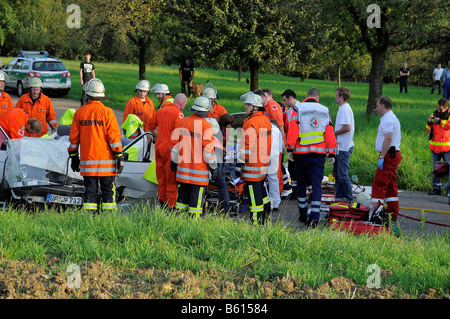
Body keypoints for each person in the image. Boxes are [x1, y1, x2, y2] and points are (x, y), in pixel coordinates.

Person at [68, 78, 123, 212]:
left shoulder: (80, 113)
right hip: (107, 162)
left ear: (88, 95)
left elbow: (74, 139)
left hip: (88, 162)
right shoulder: (107, 112)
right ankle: (108, 219)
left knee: (90, 191)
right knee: (108, 191)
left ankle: (89, 218)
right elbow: (114, 138)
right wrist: (119, 155)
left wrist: (74, 157)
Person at [286, 88, 337, 227]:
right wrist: (332, 153)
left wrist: (290, 148)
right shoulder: (324, 110)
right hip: (319, 154)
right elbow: (329, 132)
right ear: (317, 98)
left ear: (306, 96)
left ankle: (303, 214)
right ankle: (314, 217)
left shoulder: (298, 109)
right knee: (316, 185)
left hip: (301, 154)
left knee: (301, 183)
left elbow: (293, 129)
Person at [170, 96, 217, 218]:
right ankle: (193, 228)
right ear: (206, 110)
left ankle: (179, 223)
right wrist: (214, 168)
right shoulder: (206, 126)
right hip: (199, 175)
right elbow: (208, 152)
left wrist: (174, 162)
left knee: (181, 202)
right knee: (195, 206)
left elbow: (175, 146)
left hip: (182, 172)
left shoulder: (182, 122)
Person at [236, 92, 272, 225]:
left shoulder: (250, 123)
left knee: (254, 197)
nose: (245, 107)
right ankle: (266, 217)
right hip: (262, 164)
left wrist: (239, 163)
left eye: (248, 105)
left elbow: (247, 146)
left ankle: (256, 225)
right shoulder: (266, 120)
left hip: (252, 166)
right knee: (262, 192)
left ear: (256, 107)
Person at [146, 93, 187, 209]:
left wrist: (160, 135)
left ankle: (162, 202)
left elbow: (150, 126)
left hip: (159, 147)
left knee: (161, 177)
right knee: (171, 179)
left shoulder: (160, 111)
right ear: (182, 104)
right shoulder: (178, 114)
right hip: (171, 149)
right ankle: (171, 206)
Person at [371, 96, 402, 221]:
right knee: (390, 185)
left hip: (389, 155)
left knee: (379, 184)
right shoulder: (389, 118)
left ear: (383, 106)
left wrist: (382, 156)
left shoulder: (388, 120)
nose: (376, 108)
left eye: (378, 105)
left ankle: (376, 212)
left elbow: (388, 138)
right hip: (391, 155)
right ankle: (392, 211)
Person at [333, 86, 355, 202]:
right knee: (337, 173)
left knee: (342, 174)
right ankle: (339, 197)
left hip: (344, 147)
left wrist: (333, 133)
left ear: (341, 97)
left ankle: (349, 198)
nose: (335, 98)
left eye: (336, 96)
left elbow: (347, 127)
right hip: (340, 146)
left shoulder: (345, 109)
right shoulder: (342, 108)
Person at [426, 98, 450, 195]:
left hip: (446, 148)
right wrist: (429, 122)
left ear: (446, 107)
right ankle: (436, 188)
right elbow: (428, 130)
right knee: (436, 169)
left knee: (449, 169)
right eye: (438, 109)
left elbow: (448, 125)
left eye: (441, 110)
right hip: (435, 147)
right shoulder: (435, 114)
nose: (439, 111)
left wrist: (439, 121)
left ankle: (449, 190)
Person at [268, 119, 283, 212]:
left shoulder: (262, 126)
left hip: (263, 154)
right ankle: (275, 202)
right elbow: (280, 149)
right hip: (274, 155)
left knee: (260, 178)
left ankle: (267, 201)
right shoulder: (277, 131)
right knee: (273, 178)